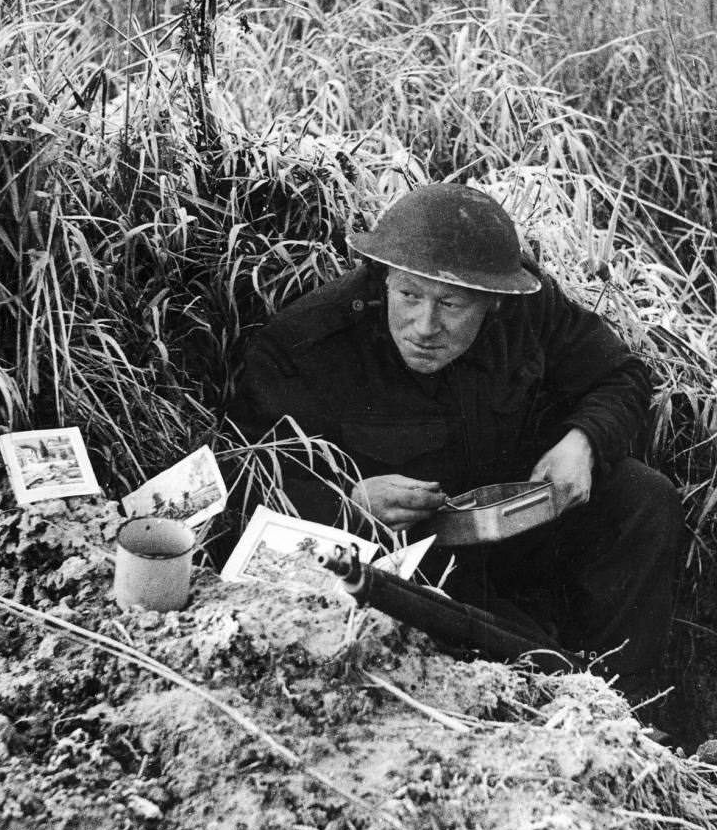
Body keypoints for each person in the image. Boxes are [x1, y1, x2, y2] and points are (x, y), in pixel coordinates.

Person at [231, 182, 684, 704]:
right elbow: (252, 474)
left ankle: (635, 708)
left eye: (451, 304)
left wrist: (583, 442)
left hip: (521, 523)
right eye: (408, 296)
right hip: (420, 558)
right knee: (535, 663)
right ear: (383, 280)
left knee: (643, 498)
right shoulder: (307, 344)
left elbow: (622, 376)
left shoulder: (527, 308)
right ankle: (563, 688)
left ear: (492, 302)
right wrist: (351, 503)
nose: (424, 326)